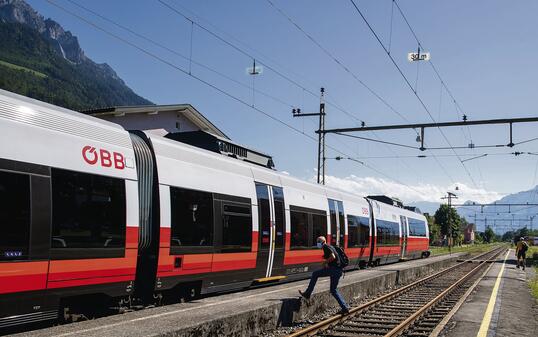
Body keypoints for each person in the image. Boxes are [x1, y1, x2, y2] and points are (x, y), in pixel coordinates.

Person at [299, 236, 350, 314]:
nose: (317, 243)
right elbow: (334, 257)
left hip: (334, 270)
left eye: (318, 241)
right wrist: (328, 263)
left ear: (322, 242)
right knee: (333, 290)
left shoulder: (325, 247)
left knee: (315, 274)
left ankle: (307, 293)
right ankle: (345, 307)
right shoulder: (330, 246)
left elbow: (332, 256)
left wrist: (325, 262)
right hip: (338, 271)